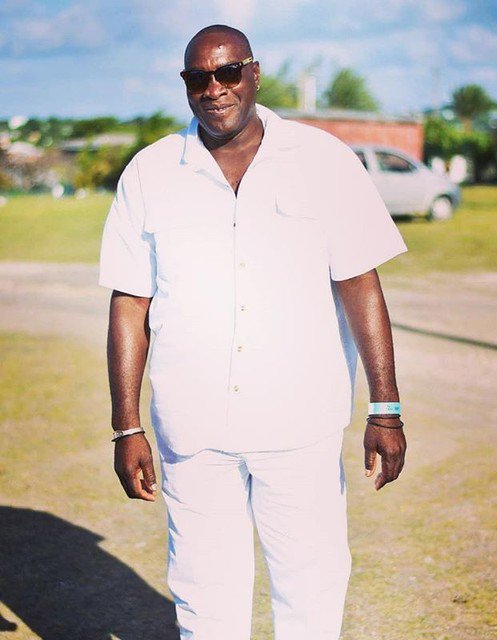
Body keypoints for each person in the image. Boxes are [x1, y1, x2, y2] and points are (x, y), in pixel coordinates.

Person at [99, 24, 407, 640]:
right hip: (194, 431)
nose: (214, 89)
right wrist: (126, 425)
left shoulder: (322, 160)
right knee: (204, 599)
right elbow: (130, 302)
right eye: (197, 78)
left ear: (255, 73)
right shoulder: (150, 171)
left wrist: (386, 408)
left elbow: (360, 283)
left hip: (299, 426)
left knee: (310, 591)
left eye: (228, 72)